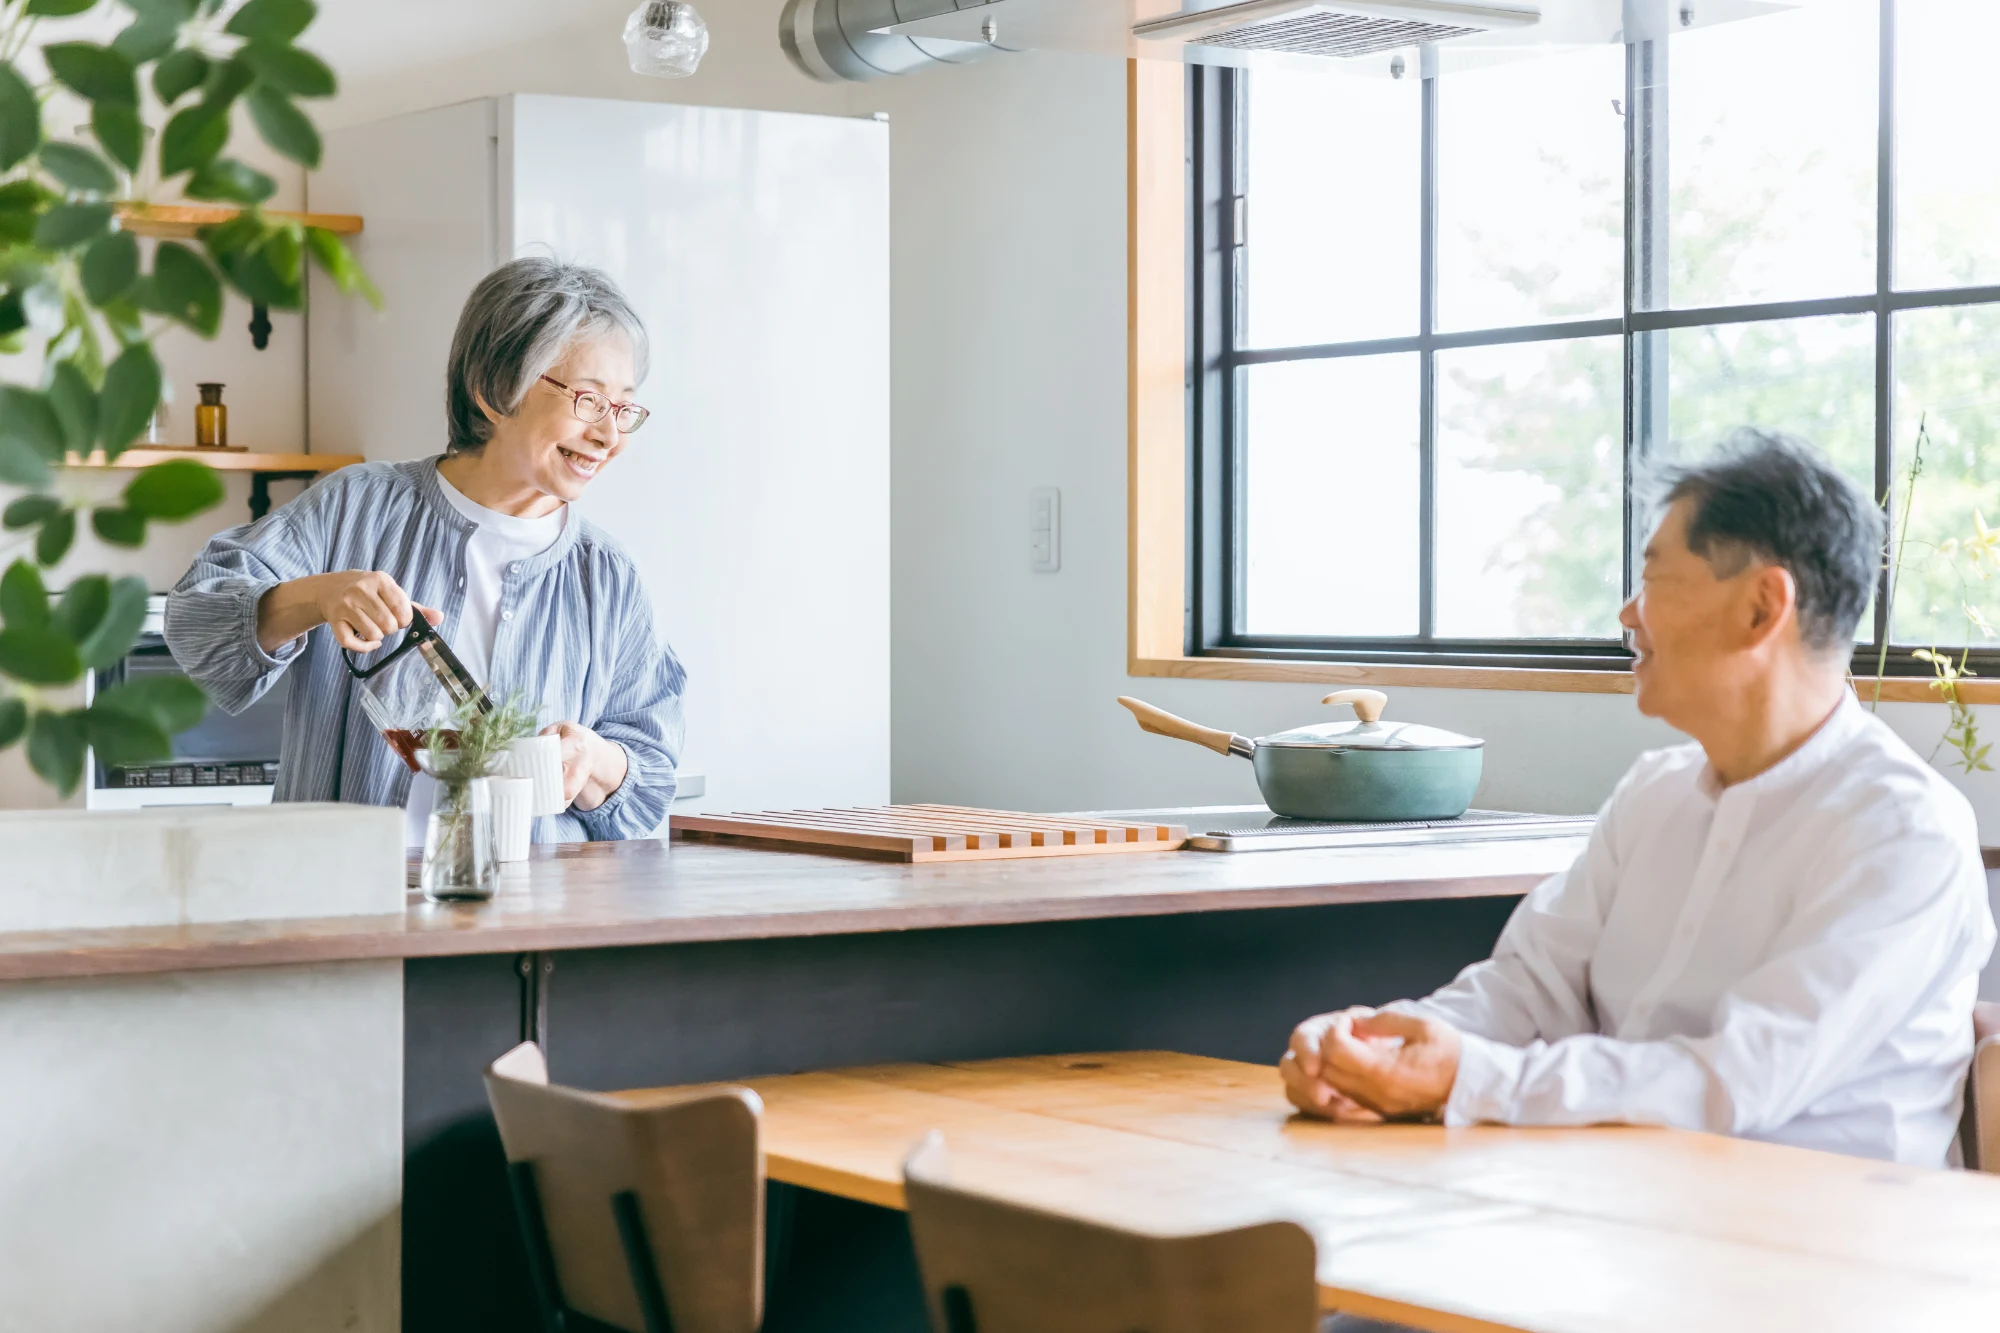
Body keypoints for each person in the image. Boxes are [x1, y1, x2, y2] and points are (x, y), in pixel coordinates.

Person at [1282, 432, 1996, 1166]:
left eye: (1654, 580)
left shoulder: (1906, 832)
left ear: (1761, 607)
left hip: (1822, 1256)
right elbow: (1528, 988)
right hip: (1618, 1217)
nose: (1628, 613)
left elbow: (1736, 1078)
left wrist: (1464, 1077)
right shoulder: (1654, 791)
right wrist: (1375, 1044)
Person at [166, 256, 684, 842]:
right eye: (587, 400)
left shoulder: (608, 576)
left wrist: (595, 760)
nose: (608, 435)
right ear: (493, 389)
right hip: (349, 911)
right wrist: (316, 598)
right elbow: (193, 621)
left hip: (531, 924)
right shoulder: (355, 507)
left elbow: (649, 783)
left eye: (623, 408)